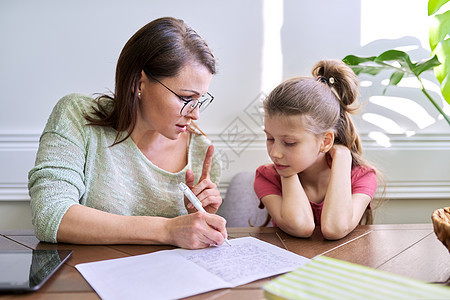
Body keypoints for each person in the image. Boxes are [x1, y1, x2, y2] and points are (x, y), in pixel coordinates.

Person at [28, 17, 228, 249]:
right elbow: (50, 215)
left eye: (199, 100)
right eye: (186, 98)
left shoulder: (202, 151)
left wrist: (199, 217)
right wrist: (167, 229)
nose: (195, 115)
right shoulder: (77, 116)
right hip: (83, 280)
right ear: (138, 83)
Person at [254, 59, 382, 240]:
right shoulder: (266, 177)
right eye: (270, 138)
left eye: (289, 143)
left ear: (326, 141)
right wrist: (287, 173)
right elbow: (300, 226)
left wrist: (343, 156)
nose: (275, 153)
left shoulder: (362, 177)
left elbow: (335, 228)